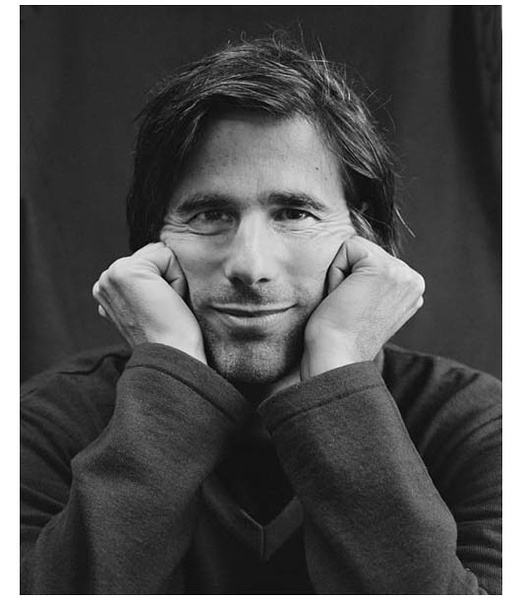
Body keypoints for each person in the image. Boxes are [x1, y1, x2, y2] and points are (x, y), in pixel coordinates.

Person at [20, 37, 501, 594]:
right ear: (152, 245)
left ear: (366, 237)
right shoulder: (47, 424)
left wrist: (338, 371)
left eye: (294, 213)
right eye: (209, 214)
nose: (250, 266)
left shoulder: (476, 426)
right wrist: (170, 378)